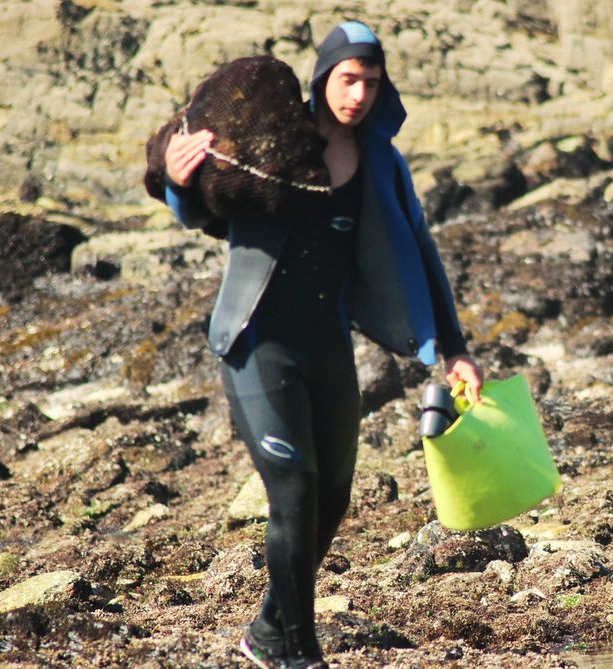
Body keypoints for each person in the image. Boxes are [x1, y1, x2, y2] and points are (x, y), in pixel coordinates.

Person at [162, 20, 483, 669]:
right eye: (347, 78)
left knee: (332, 499)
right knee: (294, 489)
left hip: (326, 347)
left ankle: (268, 631)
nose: (358, 93)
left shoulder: (380, 163)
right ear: (322, 78)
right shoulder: (276, 141)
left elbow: (419, 248)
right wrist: (175, 183)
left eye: (370, 81)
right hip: (257, 343)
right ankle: (300, 654)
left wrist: (453, 348)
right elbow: (206, 209)